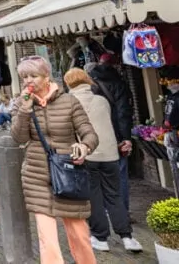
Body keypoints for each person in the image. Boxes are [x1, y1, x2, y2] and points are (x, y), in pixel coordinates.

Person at [11, 55, 98, 264]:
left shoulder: (68, 101)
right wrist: (24, 110)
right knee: (47, 238)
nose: (28, 81)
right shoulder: (21, 103)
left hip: (68, 172)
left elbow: (89, 133)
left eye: (33, 76)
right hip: (36, 174)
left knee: (80, 236)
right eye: (24, 77)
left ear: (47, 76)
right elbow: (19, 138)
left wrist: (84, 147)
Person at [63, 68, 142, 253]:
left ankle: (100, 238)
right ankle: (127, 237)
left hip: (87, 154)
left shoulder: (68, 102)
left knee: (94, 197)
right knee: (114, 195)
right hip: (109, 154)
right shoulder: (102, 100)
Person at [88, 53, 134, 212]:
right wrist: (126, 138)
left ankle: (104, 209)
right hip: (115, 135)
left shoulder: (89, 84)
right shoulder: (118, 84)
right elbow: (122, 113)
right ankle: (121, 211)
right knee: (119, 173)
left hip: (94, 135)